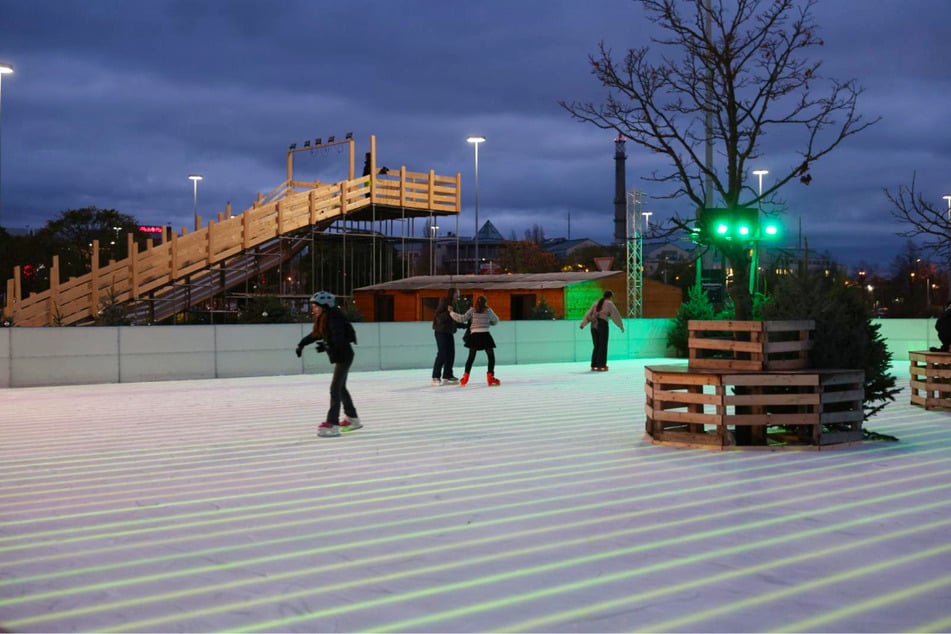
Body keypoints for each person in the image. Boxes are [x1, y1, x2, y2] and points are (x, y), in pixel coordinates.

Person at [295, 290, 362, 438]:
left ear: (325, 305)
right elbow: (316, 334)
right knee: (340, 388)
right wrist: (301, 344)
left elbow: (339, 338)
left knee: (335, 389)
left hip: (344, 356)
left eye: (316, 306)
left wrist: (326, 346)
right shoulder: (325, 317)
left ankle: (332, 423)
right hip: (341, 355)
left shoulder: (334, 317)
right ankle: (352, 418)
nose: (313, 308)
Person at [450, 295, 501, 386]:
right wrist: (488, 322)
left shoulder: (472, 310)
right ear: (485, 303)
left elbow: (462, 318)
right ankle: (490, 377)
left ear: (476, 302)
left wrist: (451, 312)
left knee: (471, 358)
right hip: (485, 335)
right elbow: (496, 321)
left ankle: (465, 378)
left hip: (475, 336)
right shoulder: (488, 311)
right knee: (491, 357)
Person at [579, 290, 625, 371]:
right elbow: (616, 316)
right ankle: (601, 365)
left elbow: (588, 314)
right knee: (602, 345)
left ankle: (594, 364)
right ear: (610, 297)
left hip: (593, 325)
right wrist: (620, 326)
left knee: (596, 346)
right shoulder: (609, 304)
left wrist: (583, 324)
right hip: (602, 324)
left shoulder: (595, 303)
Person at [431, 287, 462, 386]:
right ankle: (435, 376)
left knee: (451, 353)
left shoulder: (455, 304)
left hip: (449, 332)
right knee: (442, 353)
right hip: (440, 331)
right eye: (457, 293)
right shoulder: (444, 301)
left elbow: (455, 318)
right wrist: (448, 313)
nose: (459, 295)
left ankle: (447, 375)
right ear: (452, 294)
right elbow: (438, 317)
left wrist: (465, 325)